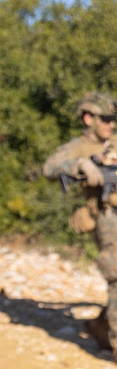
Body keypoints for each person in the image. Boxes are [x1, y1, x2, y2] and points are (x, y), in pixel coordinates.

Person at [43, 92, 117, 353]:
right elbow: (50, 168)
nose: (111, 124)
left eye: (113, 119)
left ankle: (100, 325)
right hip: (108, 220)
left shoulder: (114, 143)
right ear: (88, 118)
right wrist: (80, 165)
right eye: (106, 119)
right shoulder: (79, 148)